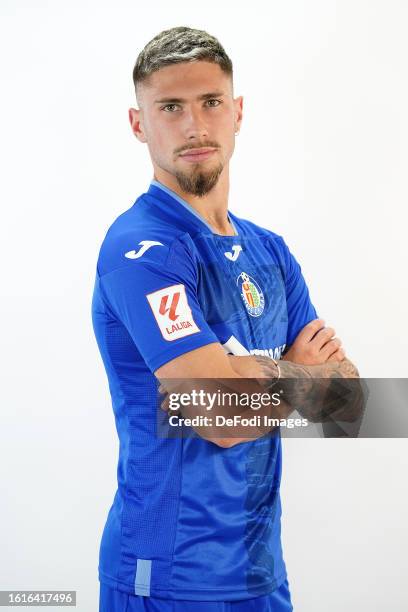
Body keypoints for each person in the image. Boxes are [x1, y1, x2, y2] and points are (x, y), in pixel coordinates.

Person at [92, 26, 360, 612]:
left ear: (237, 113)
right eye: (170, 107)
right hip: (168, 575)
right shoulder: (140, 250)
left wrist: (248, 376)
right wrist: (290, 370)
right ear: (139, 125)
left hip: (260, 572)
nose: (194, 126)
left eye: (211, 102)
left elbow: (347, 406)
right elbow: (221, 415)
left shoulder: (271, 251)